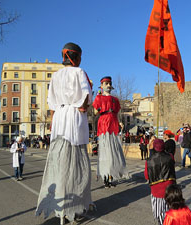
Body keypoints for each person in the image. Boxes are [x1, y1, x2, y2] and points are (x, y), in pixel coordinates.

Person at [36, 42, 93, 224]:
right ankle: (74, 208)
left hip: (60, 118)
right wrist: (83, 107)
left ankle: (61, 209)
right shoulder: (79, 72)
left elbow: (51, 102)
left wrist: (55, 120)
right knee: (76, 165)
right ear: (75, 57)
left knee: (61, 164)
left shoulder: (56, 75)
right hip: (74, 118)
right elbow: (86, 97)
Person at [93, 76, 129, 188]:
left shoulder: (115, 100)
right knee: (105, 152)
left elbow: (116, 113)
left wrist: (119, 122)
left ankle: (111, 176)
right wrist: (100, 109)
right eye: (106, 83)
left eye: (109, 83)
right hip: (104, 123)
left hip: (113, 122)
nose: (108, 85)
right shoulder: (99, 98)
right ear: (102, 86)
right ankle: (105, 177)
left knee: (113, 152)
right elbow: (95, 112)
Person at [144, 139, 176, 225]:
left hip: (156, 191)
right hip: (170, 189)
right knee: (169, 211)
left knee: (159, 214)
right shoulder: (170, 156)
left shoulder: (149, 161)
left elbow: (147, 176)